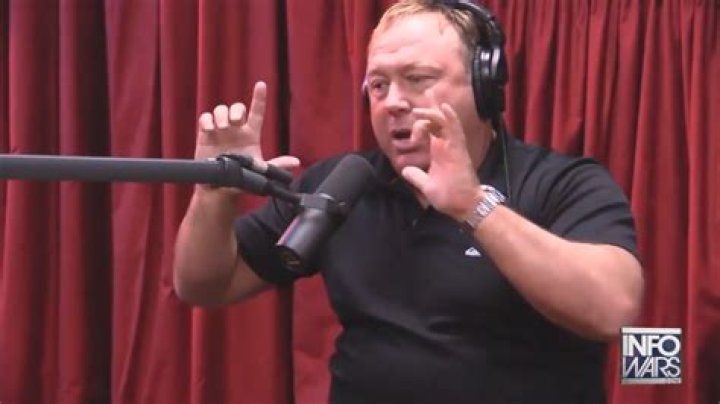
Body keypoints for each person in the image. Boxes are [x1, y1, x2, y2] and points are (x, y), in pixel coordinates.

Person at [173, 0, 644, 402]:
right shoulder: (343, 184)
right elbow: (205, 285)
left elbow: (612, 309)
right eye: (378, 85)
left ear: (484, 87)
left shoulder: (561, 183)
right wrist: (215, 192)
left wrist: (472, 206)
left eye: (417, 78)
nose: (393, 101)